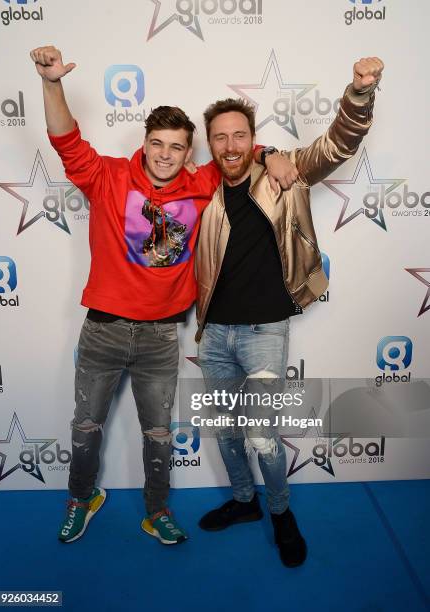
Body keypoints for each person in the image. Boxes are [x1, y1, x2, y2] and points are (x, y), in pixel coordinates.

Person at [29, 45, 296, 545]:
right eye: (157, 143)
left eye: (176, 146)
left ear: (189, 152)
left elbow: (237, 152)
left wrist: (271, 152)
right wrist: (51, 83)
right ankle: (81, 498)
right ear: (145, 144)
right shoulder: (107, 177)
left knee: (158, 436)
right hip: (103, 330)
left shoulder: (202, 182)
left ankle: (157, 511)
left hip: (159, 338)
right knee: (85, 428)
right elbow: (65, 139)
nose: (165, 154)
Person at [195, 57, 384, 566]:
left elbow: (337, 144)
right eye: (219, 137)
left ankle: (280, 511)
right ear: (209, 144)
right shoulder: (200, 192)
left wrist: (359, 94)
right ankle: (243, 503)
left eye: (241, 136)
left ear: (252, 139)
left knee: (260, 433)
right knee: (228, 430)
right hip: (213, 336)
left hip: (263, 331)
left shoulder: (284, 175)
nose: (230, 146)